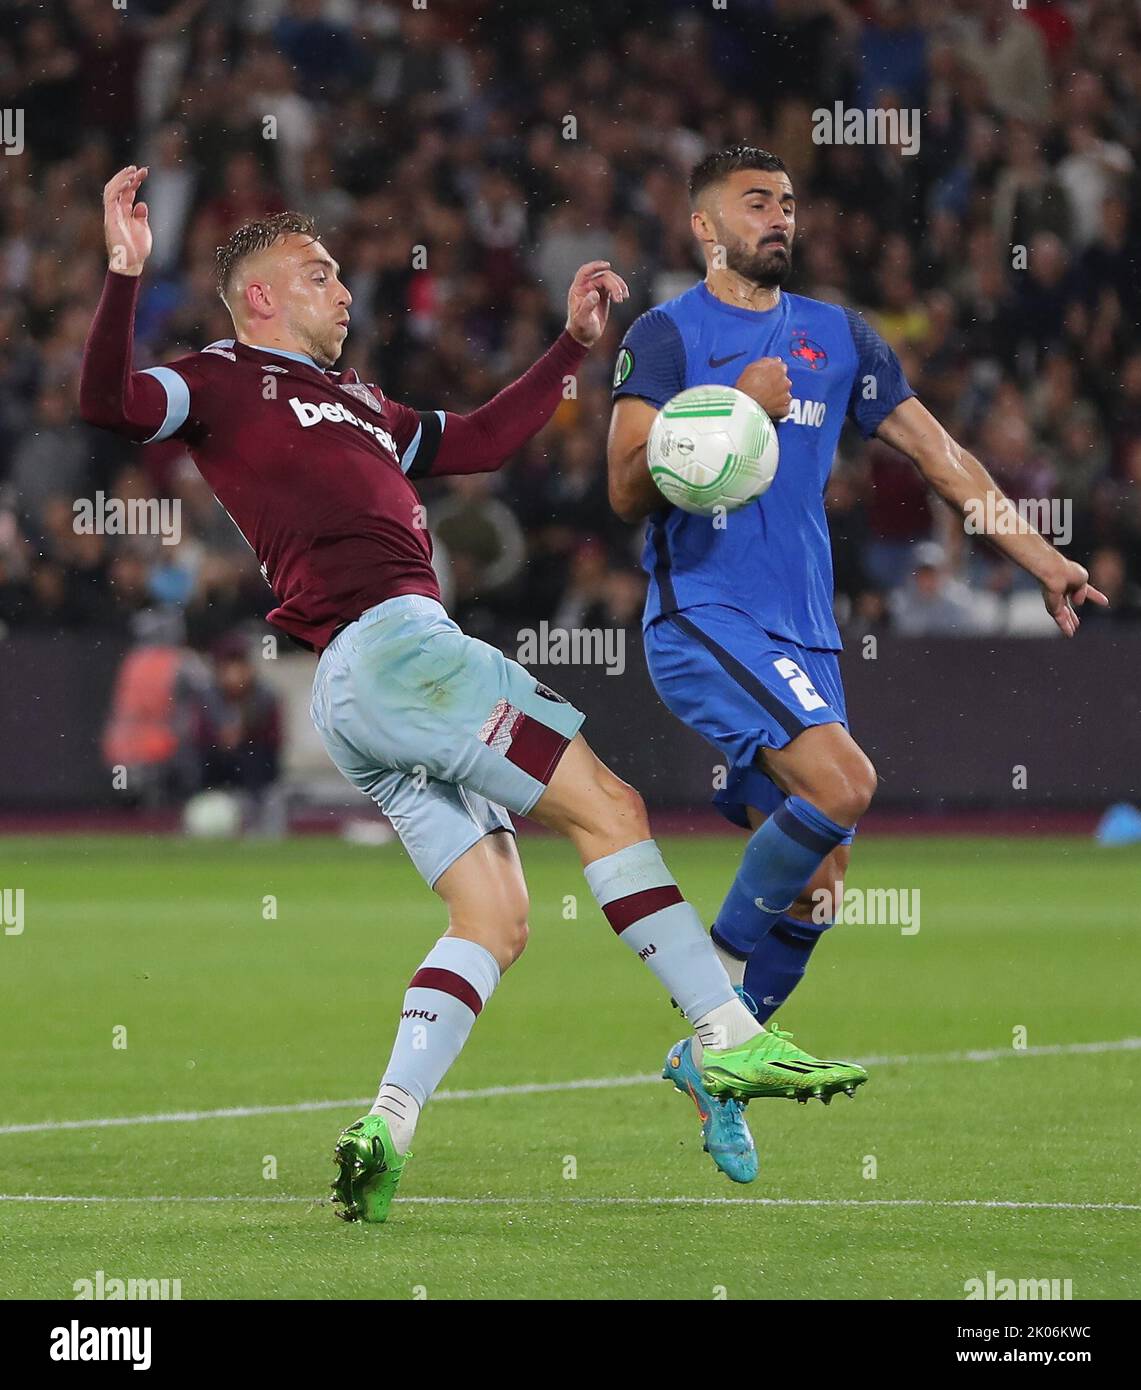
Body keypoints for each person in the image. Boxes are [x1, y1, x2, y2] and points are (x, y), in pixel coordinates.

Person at [79, 164, 869, 1222]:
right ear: (258, 297)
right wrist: (123, 275)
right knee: (610, 807)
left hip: (359, 692)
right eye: (318, 274)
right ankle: (725, 1033)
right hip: (402, 651)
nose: (344, 291)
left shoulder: (361, 403)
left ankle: (387, 1124)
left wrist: (570, 347)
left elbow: (483, 439)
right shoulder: (220, 378)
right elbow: (108, 403)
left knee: (493, 916)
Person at [607, 144, 1108, 1181]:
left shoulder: (839, 337)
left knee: (823, 881)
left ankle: (711, 1071)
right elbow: (621, 487)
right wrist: (733, 404)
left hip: (805, 633)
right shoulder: (665, 335)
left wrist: (1040, 557)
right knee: (844, 783)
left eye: (787, 202)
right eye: (754, 201)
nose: (778, 216)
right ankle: (716, 1016)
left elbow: (940, 457)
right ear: (703, 226)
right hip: (704, 612)